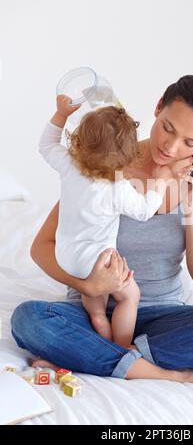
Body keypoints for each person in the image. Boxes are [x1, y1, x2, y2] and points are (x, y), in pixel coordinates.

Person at [11, 75, 193, 383]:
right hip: (92, 312)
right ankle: (168, 373)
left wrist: (192, 205)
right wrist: (89, 287)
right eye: (168, 128)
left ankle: (99, 356)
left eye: (190, 142)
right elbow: (42, 246)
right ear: (158, 108)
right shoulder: (109, 156)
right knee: (29, 319)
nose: (170, 147)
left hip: (162, 318)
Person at [38, 96, 173, 348]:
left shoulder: (69, 165)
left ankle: (98, 318)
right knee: (130, 297)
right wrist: (161, 181)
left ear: (78, 140)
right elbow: (144, 211)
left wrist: (60, 115)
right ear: (126, 158)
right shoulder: (116, 188)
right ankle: (120, 349)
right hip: (97, 261)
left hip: (66, 256)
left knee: (96, 308)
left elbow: (46, 145)